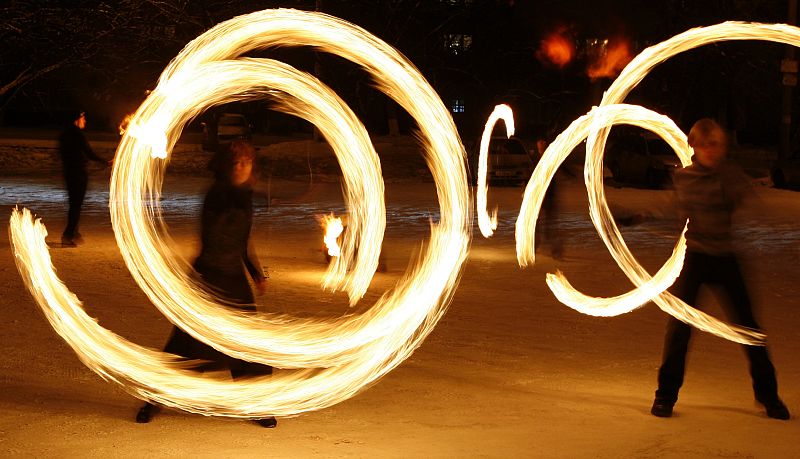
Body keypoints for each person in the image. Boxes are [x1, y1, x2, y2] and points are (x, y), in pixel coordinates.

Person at [650, 119, 790, 420]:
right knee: (679, 328)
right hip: (697, 258)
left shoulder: (730, 177)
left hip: (726, 257)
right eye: (706, 145)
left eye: (718, 145)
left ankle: (769, 397)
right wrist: (632, 218)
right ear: (696, 147)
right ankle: (665, 396)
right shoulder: (684, 179)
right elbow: (668, 210)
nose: (713, 151)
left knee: (749, 329)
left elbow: (753, 203)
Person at [136, 140, 277, 428]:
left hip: (234, 281)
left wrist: (256, 272)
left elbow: (243, 241)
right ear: (226, 166)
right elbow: (215, 236)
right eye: (236, 162)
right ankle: (156, 398)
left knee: (245, 344)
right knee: (188, 345)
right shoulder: (217, 194)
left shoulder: (243, 196)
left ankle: (256, 403)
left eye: (247, 162)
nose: (241, 167)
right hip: (209, 278)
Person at [58, 110, 110, 246]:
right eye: (83, 118)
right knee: (76, 206)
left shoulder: (65, 134)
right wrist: (105, 162)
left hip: (70, 173)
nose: (85, 121)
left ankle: (74, 232)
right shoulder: (77, 134)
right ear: (77, 119)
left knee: (74, 204)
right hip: (78, 174)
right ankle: (68, 235)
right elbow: (89, 153)